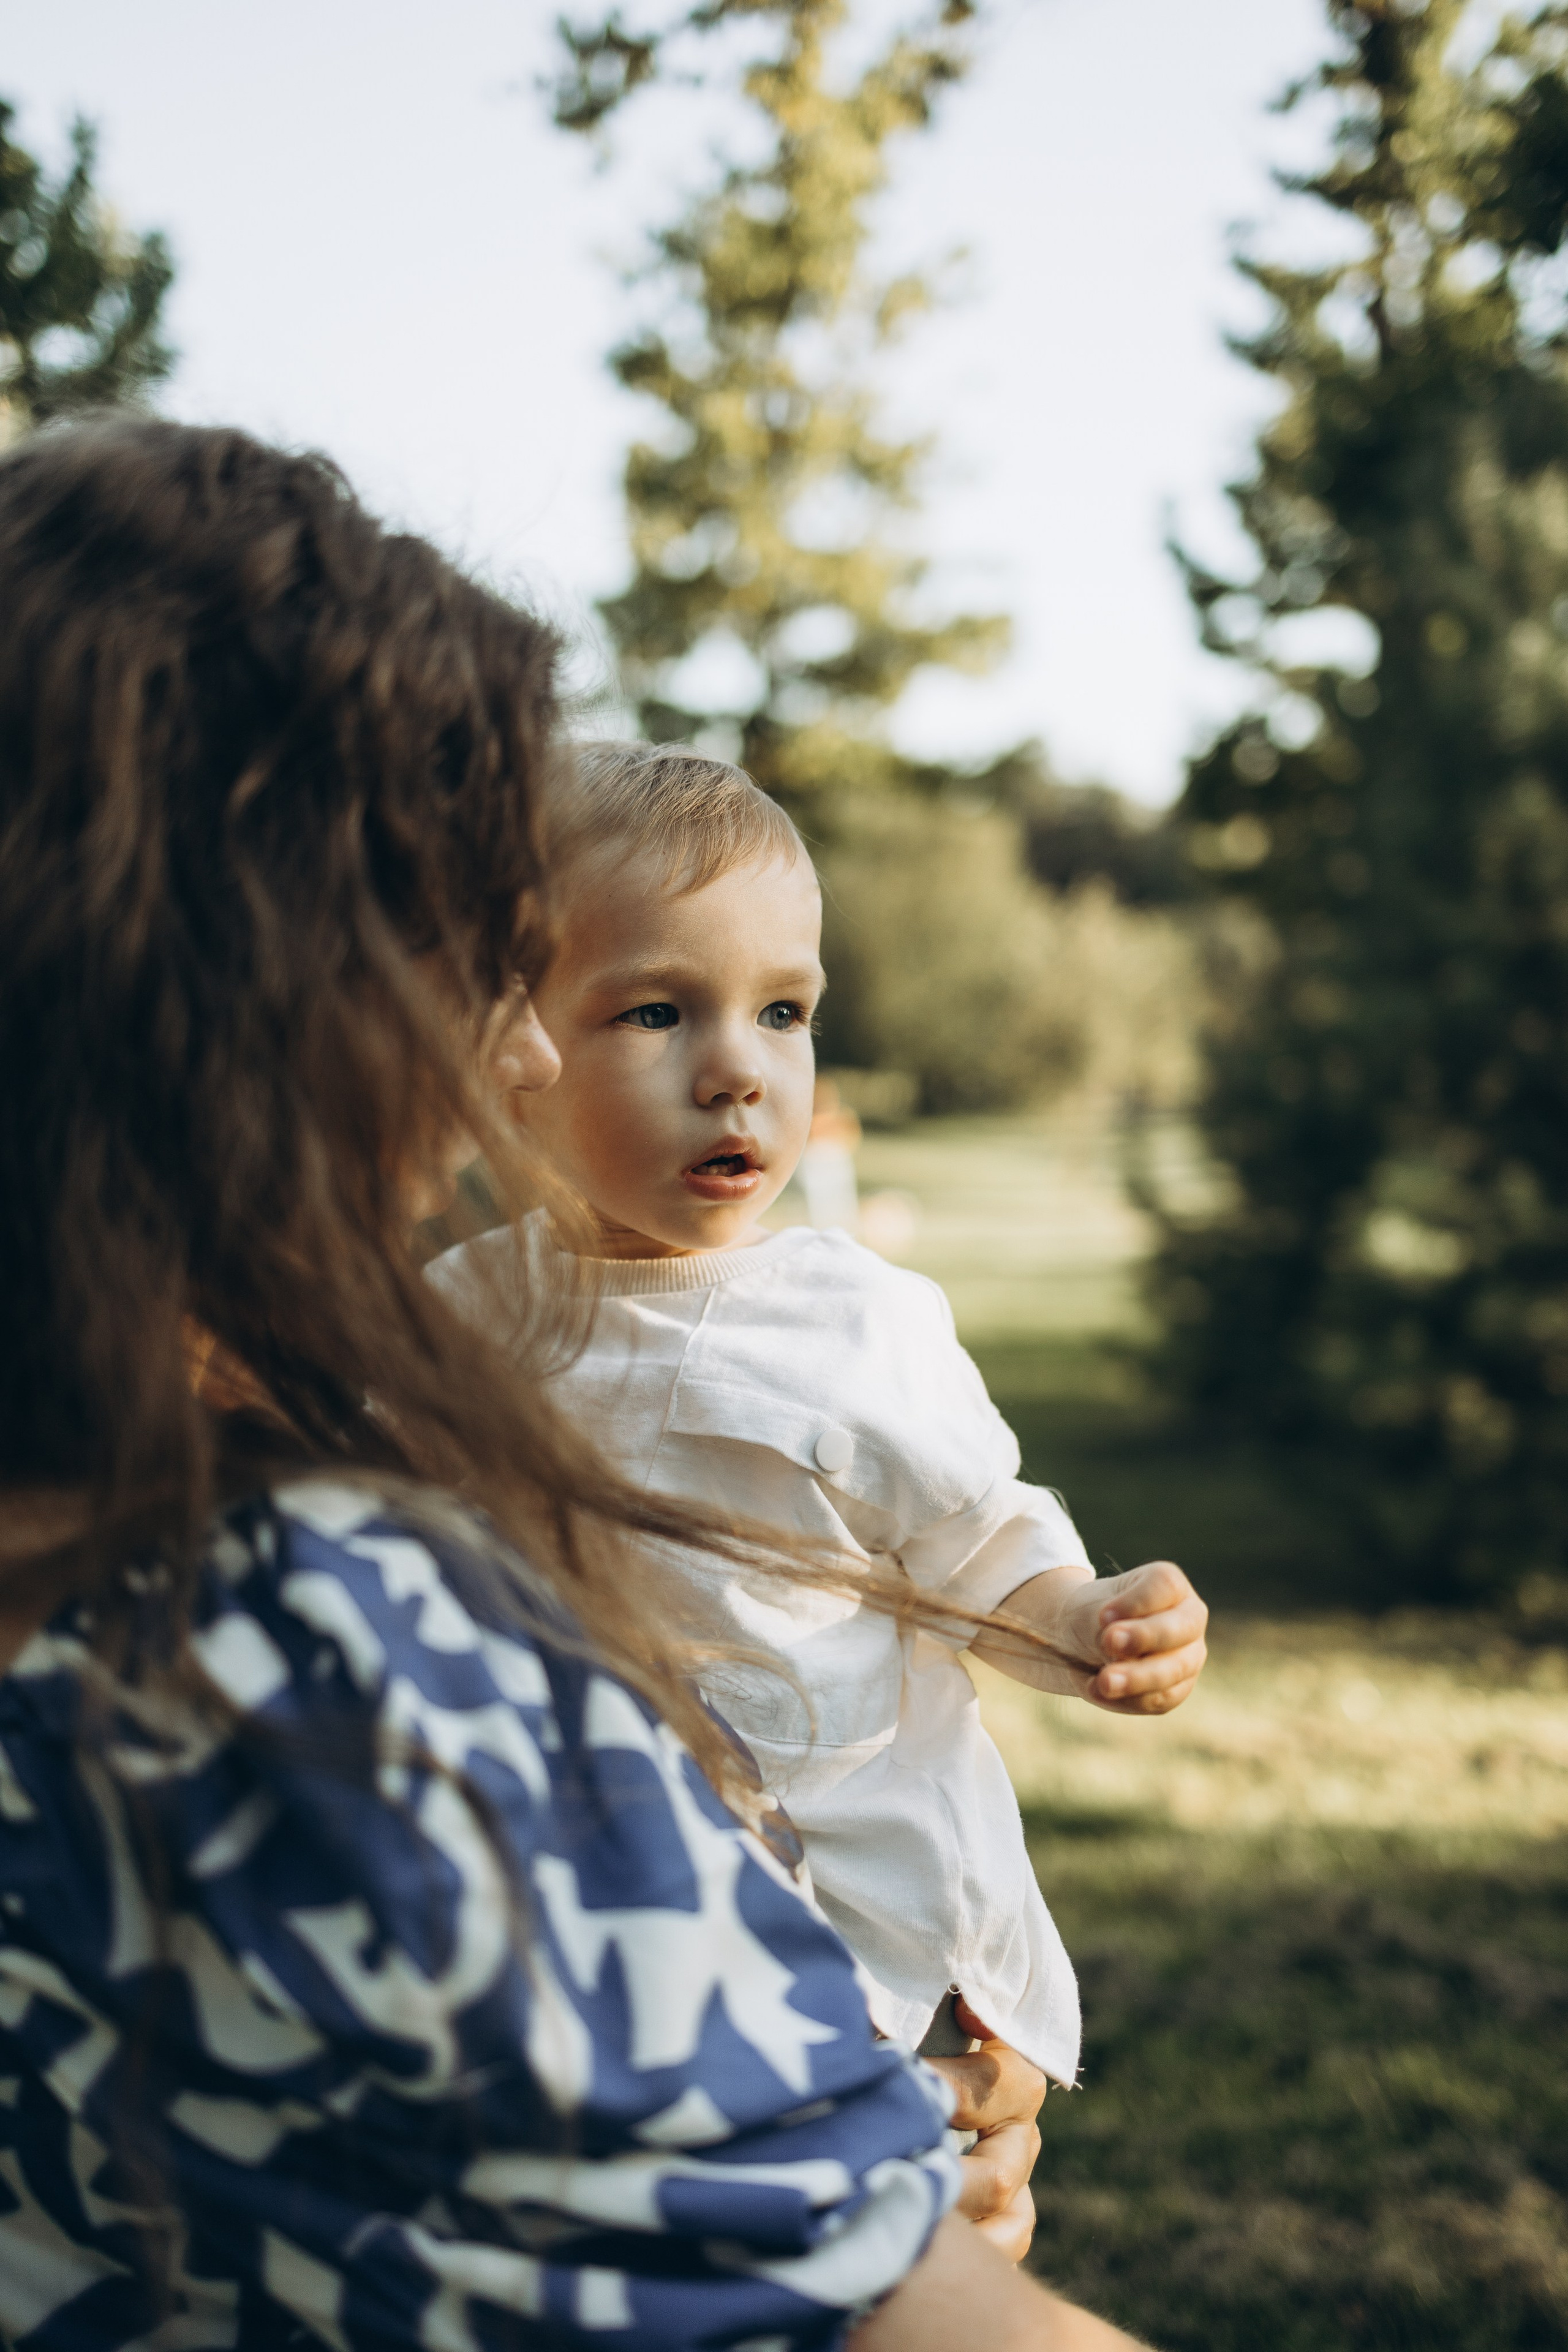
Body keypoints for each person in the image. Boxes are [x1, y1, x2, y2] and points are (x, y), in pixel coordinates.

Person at [0, 418, 1153, 2351]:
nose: (515, 1071)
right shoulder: (305, 1667)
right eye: (465, 967)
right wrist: (865, 2185)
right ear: (255, 1004)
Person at [428, 744, 1209, 2094]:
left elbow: (971, 1549)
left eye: (782, 1013)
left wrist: (1082, 1620)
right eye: (656, 1014)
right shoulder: (455, 1313)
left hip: (851, 1919)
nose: (738, 1071)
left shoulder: (853, 1322)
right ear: (513, 1043)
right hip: (601, 1914)